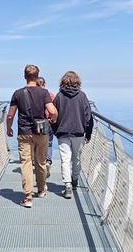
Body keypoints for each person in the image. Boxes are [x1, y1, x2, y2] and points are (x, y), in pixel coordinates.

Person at [7, 65, 58, 208]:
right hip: (41, 132)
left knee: (26, 164)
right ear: (37, 76)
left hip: (24, 132)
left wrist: (9, 128)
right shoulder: (44, 92)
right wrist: (53, 118)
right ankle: (41, 190)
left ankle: (28, 197)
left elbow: (10, 115)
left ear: (25, 76)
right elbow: (52, 111)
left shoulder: (17, 93)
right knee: (41, 161)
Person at [52, 71, 93, 199]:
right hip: (79, 132)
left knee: (65, 160)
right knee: (76, 158)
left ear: (63, 81)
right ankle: (75, 180)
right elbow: (88, 117)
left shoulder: (59, 96)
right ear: (77, 81)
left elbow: (53, 115)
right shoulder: (82, 96)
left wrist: (55, 130)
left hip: (63, 132)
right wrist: (88, 133)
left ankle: (67, 185)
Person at [36, 77, 55, 178]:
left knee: (39, 144)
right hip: (50, 121)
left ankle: (41, 163)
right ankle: (48, 161)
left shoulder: (34, 95)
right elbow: (54, 109)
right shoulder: (50, 94)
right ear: (44, 84)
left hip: (39, 122)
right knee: (49, 143)